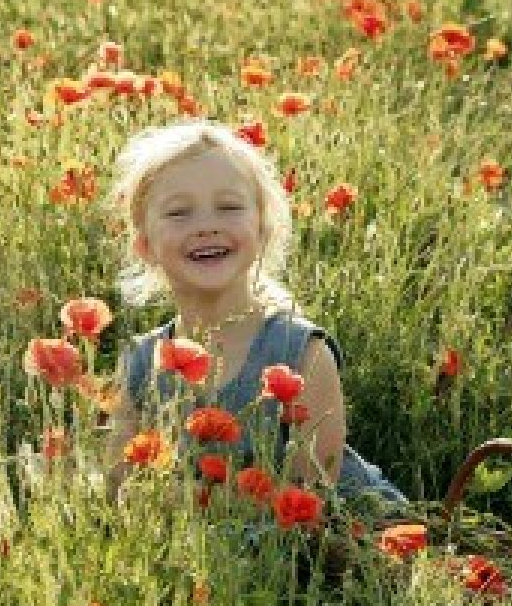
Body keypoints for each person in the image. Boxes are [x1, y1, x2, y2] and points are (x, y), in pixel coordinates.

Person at [102, 120, 407, 509]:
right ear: (144, 245)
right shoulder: (141, 364)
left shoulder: (299, 353)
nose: (207, 226)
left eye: (228, 208)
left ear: (262, 231)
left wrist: (194, 503)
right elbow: (120, 488)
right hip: (215, 552)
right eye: (179, 213)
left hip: (339, 546)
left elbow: (314, 500)